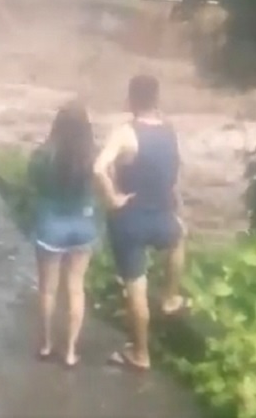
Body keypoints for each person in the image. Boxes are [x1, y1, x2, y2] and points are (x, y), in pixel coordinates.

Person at [93, 74, 187, 372]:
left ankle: (140, 354)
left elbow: (98, 168)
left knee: (136, 286)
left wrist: (112, 198)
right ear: (156, 99)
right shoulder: (170, 131)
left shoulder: (125, 132)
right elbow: (172, 171)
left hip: (130, 219)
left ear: (131, 98)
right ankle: (171, 297)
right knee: (178, 236)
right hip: (161, 213)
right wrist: (175, 203)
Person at [27, 101, 98, 368]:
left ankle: (46, 345)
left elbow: (31, 183)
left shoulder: (43, 155)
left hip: (50, 225)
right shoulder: (92, 156)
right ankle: (69, 352)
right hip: (83, 223)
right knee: (76, 288)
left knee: (47, 289)